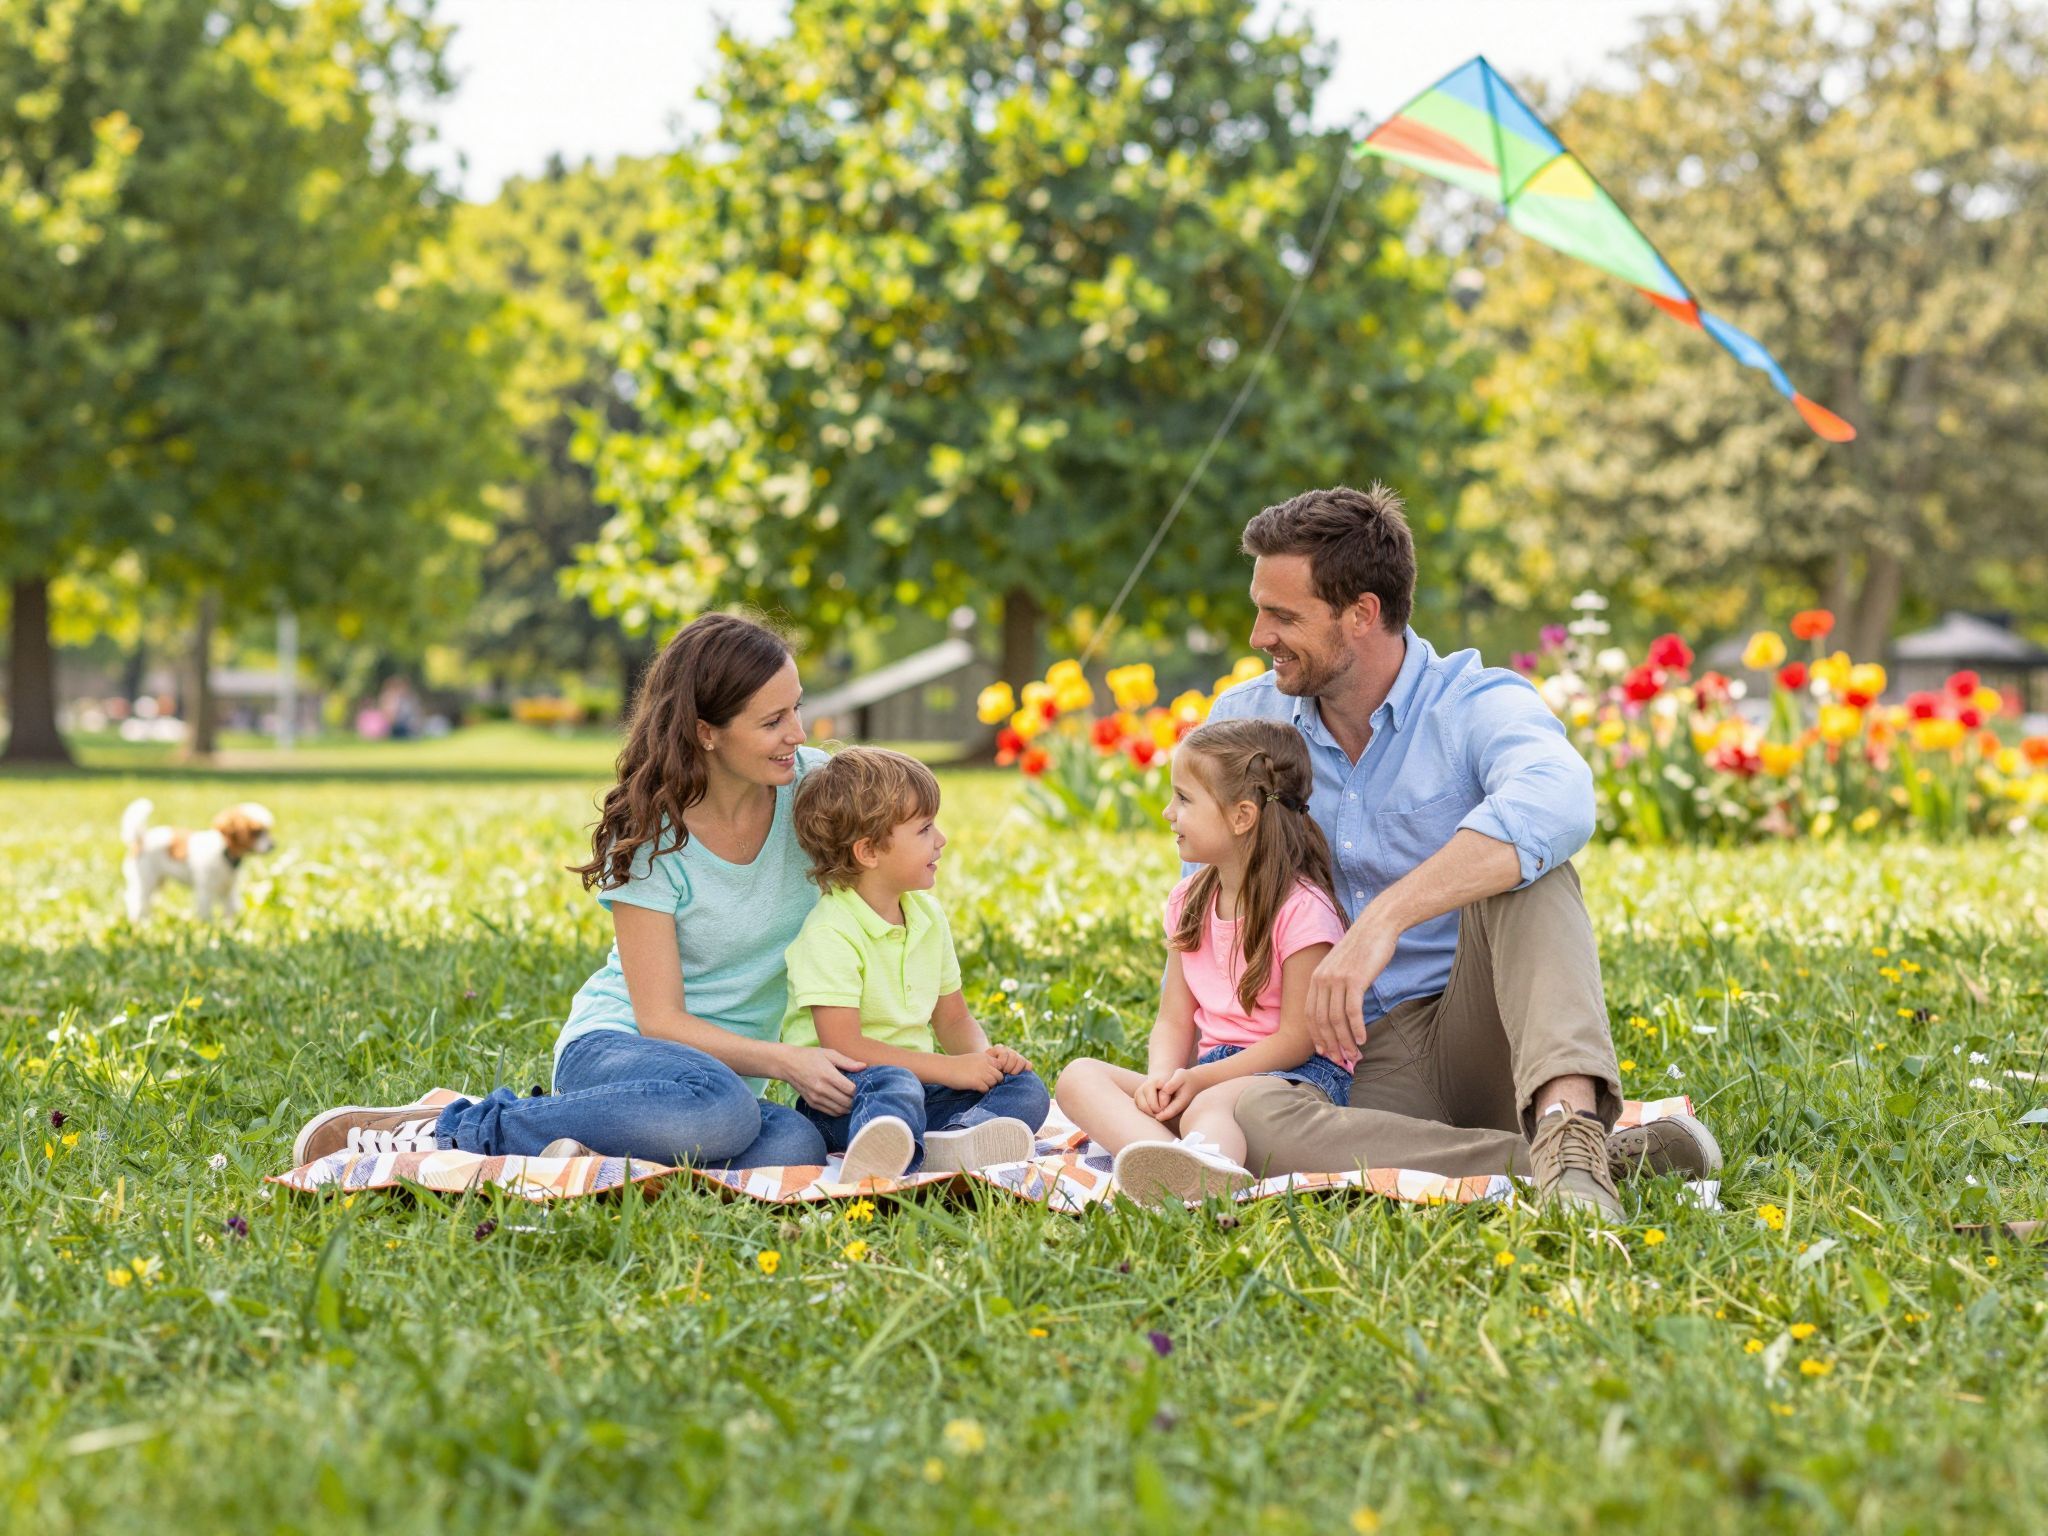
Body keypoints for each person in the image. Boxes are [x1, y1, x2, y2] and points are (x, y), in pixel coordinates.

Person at [1209, 485, 1721, 1216]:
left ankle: (1567, 1121)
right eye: (1260, 610)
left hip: (1477, 1032)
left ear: (1362, 614)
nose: (1260, 634)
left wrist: (1385, 918)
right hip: (1339, 1063)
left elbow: (1560, 796)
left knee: (1532, 869)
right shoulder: (1245, 723)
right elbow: (1207, 911)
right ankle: (1574, 1160)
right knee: (1253, 1119)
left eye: (1284, 616)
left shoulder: (1473, 703)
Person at [290, 613, 863, 1169]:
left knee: (793, 1146)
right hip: (618, 1050)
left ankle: (584, 1138)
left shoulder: (814, 792)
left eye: (797, 707)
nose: (797, 733)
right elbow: (660, 1021)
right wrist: (786, 1061)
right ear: (705, 732)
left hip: (721, 1085)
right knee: (722, 1114)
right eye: (772, 721)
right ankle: (454, 1127)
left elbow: (900, 831)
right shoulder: (653, 834)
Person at [1055, 719, 1352, 1205]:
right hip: (1210, 1075)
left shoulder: (1303, 910)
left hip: (1296, 1077)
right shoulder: (1188, 900)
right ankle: (1177, 1164)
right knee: (1079, 1077)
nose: (1169, 813)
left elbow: (1299, 1039)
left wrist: (1200, 1080)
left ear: (1242, 816)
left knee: (1207, 1106)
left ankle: (1199, 1174)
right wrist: (1162, 1076)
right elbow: (1174, 1019)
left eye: (1184, 799)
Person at [779, 747, 1049, 1183]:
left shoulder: (927, 917)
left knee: (1025, 1088)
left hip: (920, 1089)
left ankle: (954, 1140)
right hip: (845, 1098)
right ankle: (882, 1152)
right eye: (924, 829)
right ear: (869, 851)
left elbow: (954, 1020)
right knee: (895, 1084)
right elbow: (845, 1049)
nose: (941, 839)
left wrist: (985, 1060)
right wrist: (950, 1069)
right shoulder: (830, 932)